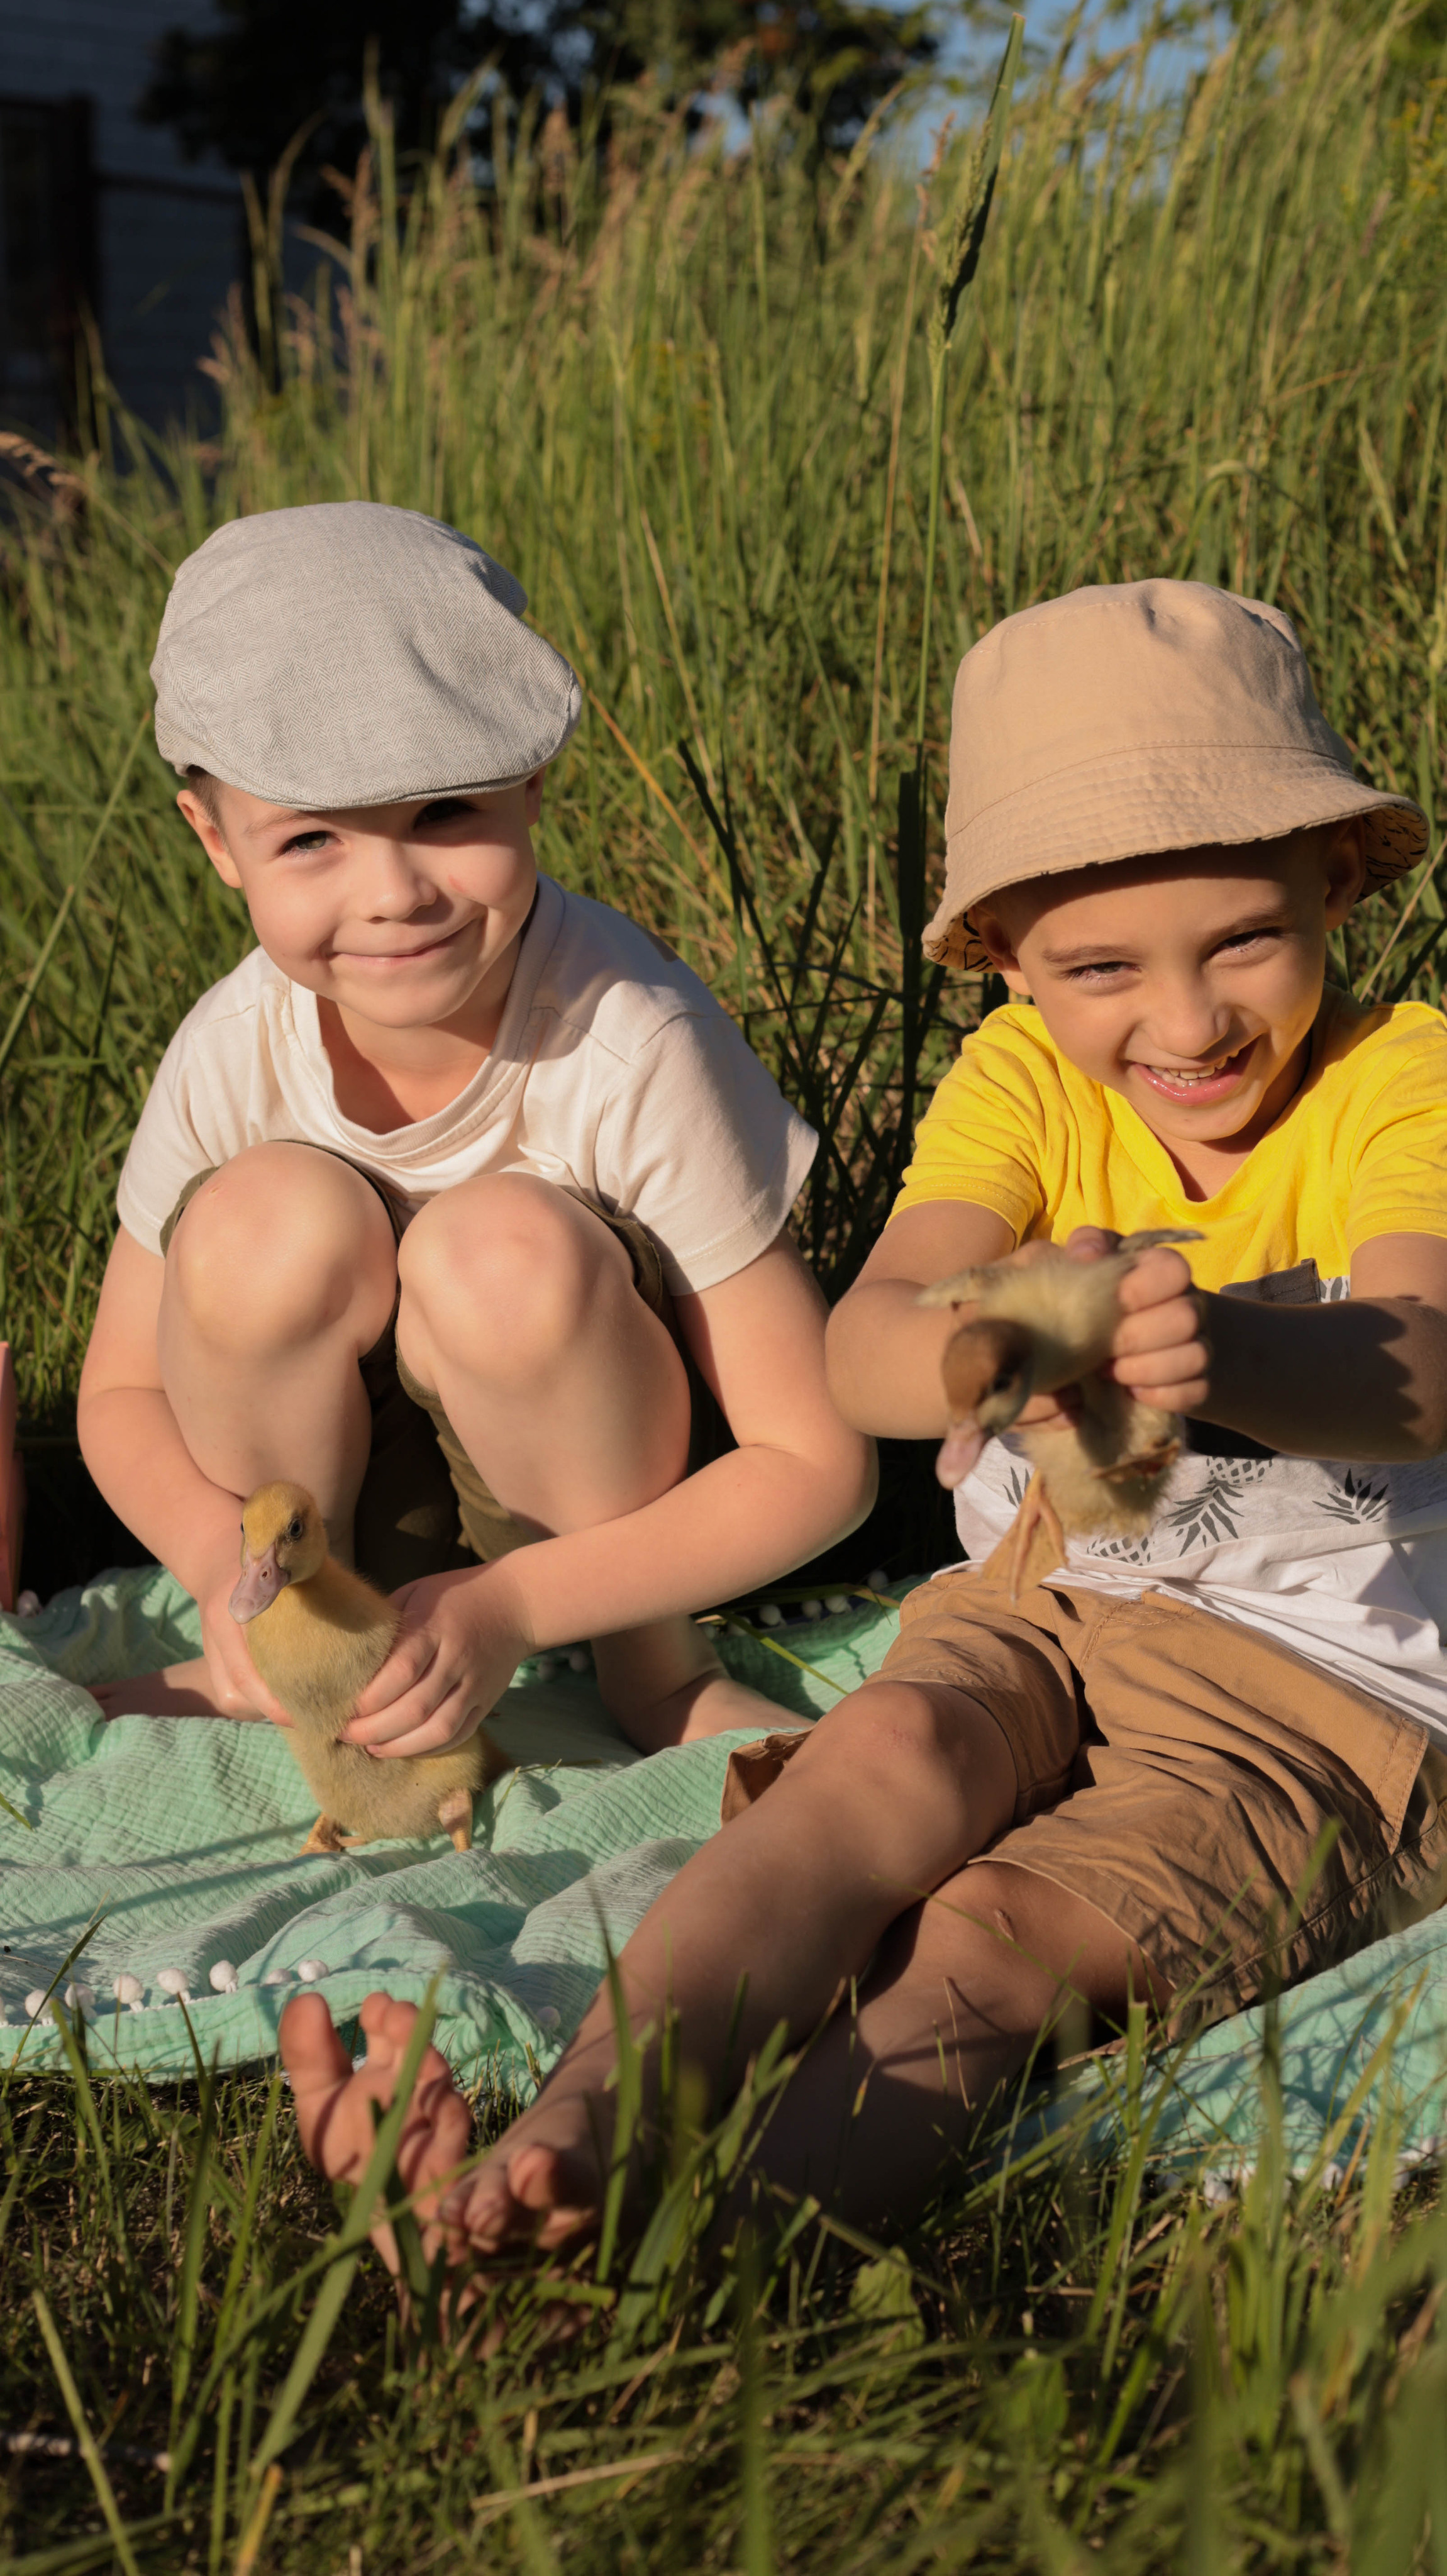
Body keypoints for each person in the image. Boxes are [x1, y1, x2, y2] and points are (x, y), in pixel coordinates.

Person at [282, 577, 1447, 2270]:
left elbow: (1417, 1361)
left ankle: (696, 2268)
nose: (1184, 1022)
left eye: (1243, 942)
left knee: (987, 1934)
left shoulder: (1398, 1078)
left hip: (1316, 1696)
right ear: (1003, 960)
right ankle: (556, 2153)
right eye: (1101, 967)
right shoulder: (1025, 1081)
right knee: (872, 1767)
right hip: (1040, 1599)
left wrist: (1220, 1356)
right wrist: (993, 1346)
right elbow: (859, 1351)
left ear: (1334, 880)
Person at [77, 501, 874, 1757]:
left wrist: (516, 1603)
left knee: (497, 1249)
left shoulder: (625, 1038)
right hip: (336, 1523)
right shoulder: (234, 1047)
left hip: (598, 1516)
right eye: (310, 839)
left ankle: (647, 1668)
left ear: (532, 780)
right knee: (252, 1225)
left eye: (446, 810)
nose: (392, 894)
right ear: (215, 840)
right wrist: (213, 1561)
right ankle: (299, 1650)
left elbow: (817, 1458)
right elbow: (118, 1388)